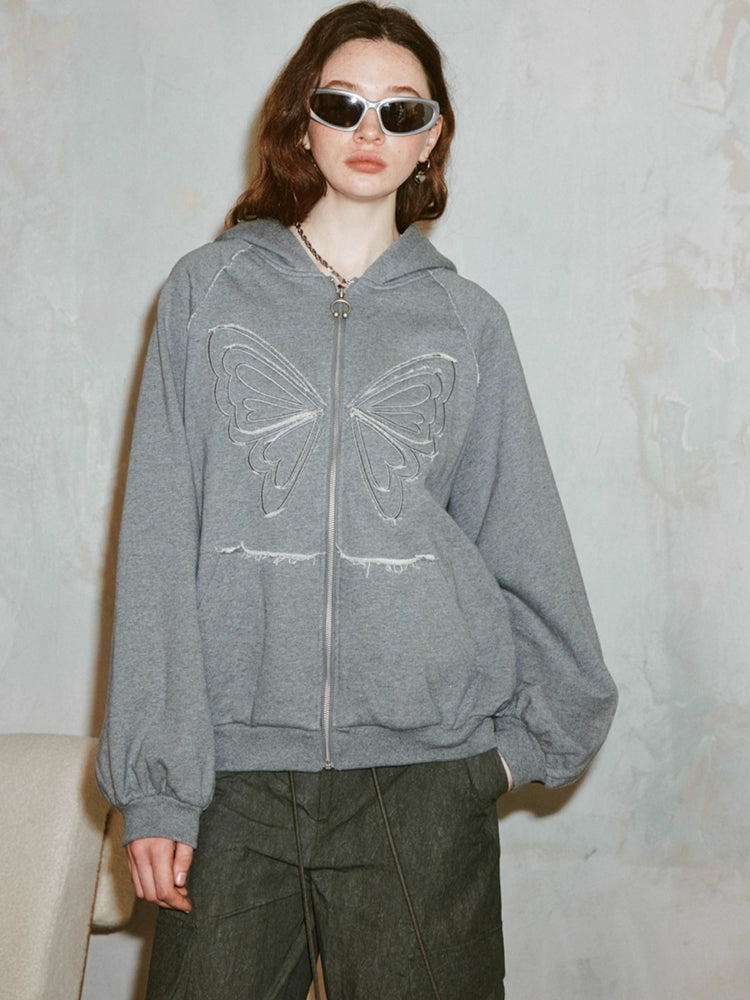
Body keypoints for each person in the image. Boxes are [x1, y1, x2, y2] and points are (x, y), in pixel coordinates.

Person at [95, 3, 618, 998]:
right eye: (342, 104)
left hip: (422, 788)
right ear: (302, 122)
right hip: (232, 785)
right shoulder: (206, 296)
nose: (370, 130)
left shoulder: (467, 323)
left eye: (400, 110)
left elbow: (523, 541)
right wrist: (159, 787)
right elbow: (159, 545)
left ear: (432, 137)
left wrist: (502, 760)